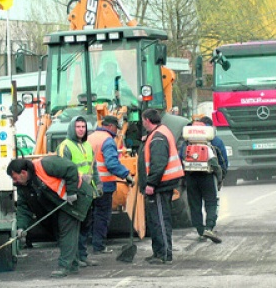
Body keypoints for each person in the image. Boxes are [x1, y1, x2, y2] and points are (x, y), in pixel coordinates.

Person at [7, 157, 94, 278]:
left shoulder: (45, 165)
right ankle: (73, 264)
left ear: (23, 173)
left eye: (15, 177)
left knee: (66, 232)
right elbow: (23, 208)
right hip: (61, 203)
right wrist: (21, 227)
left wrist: (72, 192)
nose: (14, 181)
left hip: (76, 199)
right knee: (60, 233)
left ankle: (64, 267)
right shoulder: (23, 187)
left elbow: (71, 168)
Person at [137, 108, 184, 264]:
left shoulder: (158, 137)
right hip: (162, 183)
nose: (142, 123)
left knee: (161, 219)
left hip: (160, 185)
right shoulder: (157, 134)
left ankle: (164, 253)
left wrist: (151, 183)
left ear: (147, 120)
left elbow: (158, 163)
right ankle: (158, 252)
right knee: (155, 219)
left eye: (143, 120)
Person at [57, 116, 102, 268]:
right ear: (72, 128)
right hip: (74, 193)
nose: (81, 129)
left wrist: (98, 185)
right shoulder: (66, 146)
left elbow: (93, 167)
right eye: (78, 127)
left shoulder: (88, 146)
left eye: (83, 127)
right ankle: (75, 258)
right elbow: (63, 170)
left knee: (85, 226)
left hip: (87, 193)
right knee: (75, 227)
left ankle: (82, 256)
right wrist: (72, 190)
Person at [87, 115, 134, 255]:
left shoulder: (90, 137)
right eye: (116, 128)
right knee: (102, 215)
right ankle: (99, 246)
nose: (116, 132)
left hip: (88, 184)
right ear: (111, 126)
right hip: (104, 185)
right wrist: (126, 175)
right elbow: (111, 163)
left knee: (91, 215)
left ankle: (88, 244)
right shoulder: (107, 141)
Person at [180, 115, 228, 244]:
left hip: (191, 176)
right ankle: (209, 227)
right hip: (208, 176)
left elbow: (181, 158)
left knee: (195, 205)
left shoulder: (187, 142)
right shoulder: (215, 141)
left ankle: (200, 231)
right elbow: (223, 161)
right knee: (211, 202)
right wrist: (221, 177)